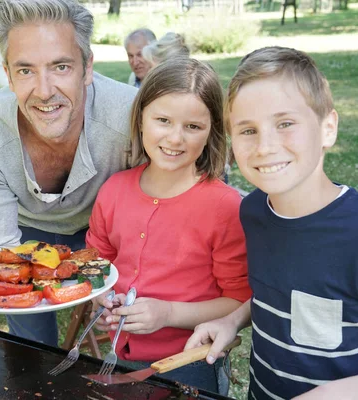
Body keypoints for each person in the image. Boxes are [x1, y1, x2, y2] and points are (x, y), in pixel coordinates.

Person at [185, 46, 358, 399]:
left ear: (327, 128)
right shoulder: (253, 212)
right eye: (247, 130)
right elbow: (282, 295)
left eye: (285, 124)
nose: (265, 146)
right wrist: (232, 320)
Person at [0, 0, 137, 347]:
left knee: (130, 338)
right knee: (30, 346)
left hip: (108, 230)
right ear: (8, 75)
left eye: (61, 67)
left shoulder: (131, 118)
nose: (43, 91)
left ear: (87, 68)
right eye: (25, 71)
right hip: (23, 233)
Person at [86, 57, 252, 395]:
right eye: (163, 120)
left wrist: (168, 313)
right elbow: (94, 267)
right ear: (141, 119)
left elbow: (238, 301)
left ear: (211, 132)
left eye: (193, 126)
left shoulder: (224, 207)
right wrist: (102, 301)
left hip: (192, 363)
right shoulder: (114, 190)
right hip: (119, 356)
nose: (175, 139)